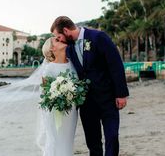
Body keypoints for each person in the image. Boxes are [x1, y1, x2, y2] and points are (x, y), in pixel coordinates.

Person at [51, 16, 129, 156]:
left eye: (58, 36)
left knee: (112, 137)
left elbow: (115, 64)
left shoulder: (98, 37)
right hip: (86, 103)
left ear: (66, 30)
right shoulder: (68, 49)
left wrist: (121, 94)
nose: (59, 40)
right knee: (93, 142)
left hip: (108, 99)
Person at [38, 37, 78, 156]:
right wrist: (58, 96)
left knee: (68, 141)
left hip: (71, 111)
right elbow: (45, 93)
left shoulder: (72, 63)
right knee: (56, 140)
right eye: (56, 40)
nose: (61, 40)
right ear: (52, 48)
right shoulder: (49, 68)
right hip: (55, 112)